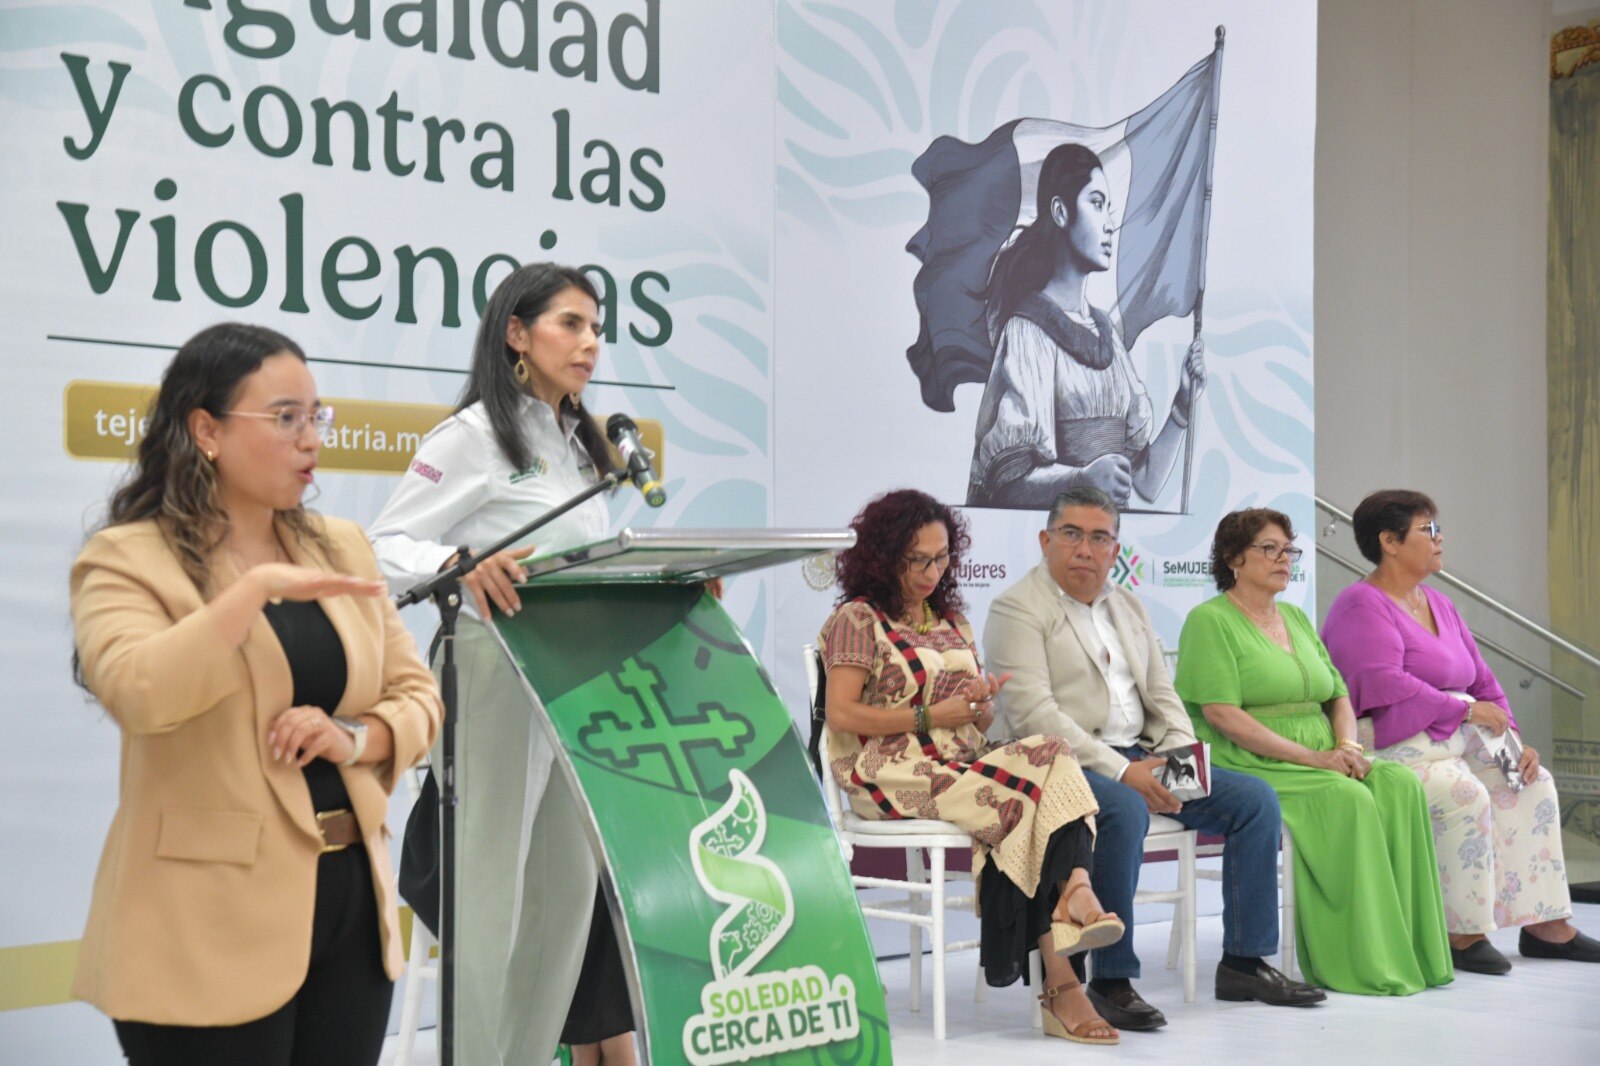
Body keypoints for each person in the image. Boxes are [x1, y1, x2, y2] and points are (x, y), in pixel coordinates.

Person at [69, 323, 441, 1066]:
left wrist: (354, 738)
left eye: (315, 416)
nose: (311, 439)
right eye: (285, 417)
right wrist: (252, 593)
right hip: (205, 920)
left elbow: (418, 695)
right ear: (205, 430)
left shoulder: (340, 544)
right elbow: (139, 691)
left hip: (350, 906)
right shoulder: (127, 556)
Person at [368, 263, 634, 1066]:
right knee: (490, 900)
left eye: (596, 328)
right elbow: (382, 546)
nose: (590, 343)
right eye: (570, 324)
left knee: (563, 901)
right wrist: (457, 561)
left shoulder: (580, 444)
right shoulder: (475, 435)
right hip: (492, 671)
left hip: (572, 679)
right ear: (516, 332)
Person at [985, 488, 1323, 1033]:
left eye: (1100, 537)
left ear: (1115, 549)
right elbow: (1034, 715)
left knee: (1253, 800)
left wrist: (1183, 759)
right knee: (1123, 808)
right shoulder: (1017, 608)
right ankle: (1110, 979)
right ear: (1046, 540)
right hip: (1056, 765)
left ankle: (1243, 963)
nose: (1085, 549)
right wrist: (1125, 772)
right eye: (1071, 534)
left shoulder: (1126, 604)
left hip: (1141, 754)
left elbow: (1162, 695)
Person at [818, 489, 1124, 1045]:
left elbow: (970, 720)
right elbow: (841, 713)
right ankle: (1063, 976)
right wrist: (930, 715)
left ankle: (1075, 889)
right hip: (888, 769)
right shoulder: (856, 619)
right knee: (1023, 802)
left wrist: (980, 709)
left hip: (958, 759)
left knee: (1054, 752)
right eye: (917, 560)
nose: (931, 572)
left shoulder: (952, 620)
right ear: (883, 556)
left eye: (941, 558)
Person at [1172, 507, 1453, 996]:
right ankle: (1359, 959)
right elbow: (1222, 715)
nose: (1284, 559)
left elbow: (1338, 694)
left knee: (1399, 784)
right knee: (1347, 798)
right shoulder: (1209, 621)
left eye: (1288, 550)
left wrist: (1347, 747)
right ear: (1234, 558)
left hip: (1324, 753)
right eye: (1269, 549)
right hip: (1247, 759)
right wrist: (1315, 759)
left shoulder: (1296, 617)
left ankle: (1410, 950)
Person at [1322, 489, 1600, 972]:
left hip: (1461, 740)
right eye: (1427, 529)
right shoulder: (1359, 604)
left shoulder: (1440, 603)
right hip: (1396, 746)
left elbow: (1483, 681)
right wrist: (1463, 710)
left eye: (1438, 528)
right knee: (1463, 793)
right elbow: (1382, 682)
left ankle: (1546, 927)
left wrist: (1514, 740)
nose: (1440, 537)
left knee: (1533, 783)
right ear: (1389, 541)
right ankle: (1461, 934)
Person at [967, 142, 1205, 509]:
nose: (1109, 224)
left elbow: (1146, 482)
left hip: (1110, 538)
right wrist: (1081, 480)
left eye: (1108, 208)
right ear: (1061, 212)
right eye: (1096, 204)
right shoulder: (1028, 332)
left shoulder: (1105, 334)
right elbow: (1008, 486)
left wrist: (1182, 406)